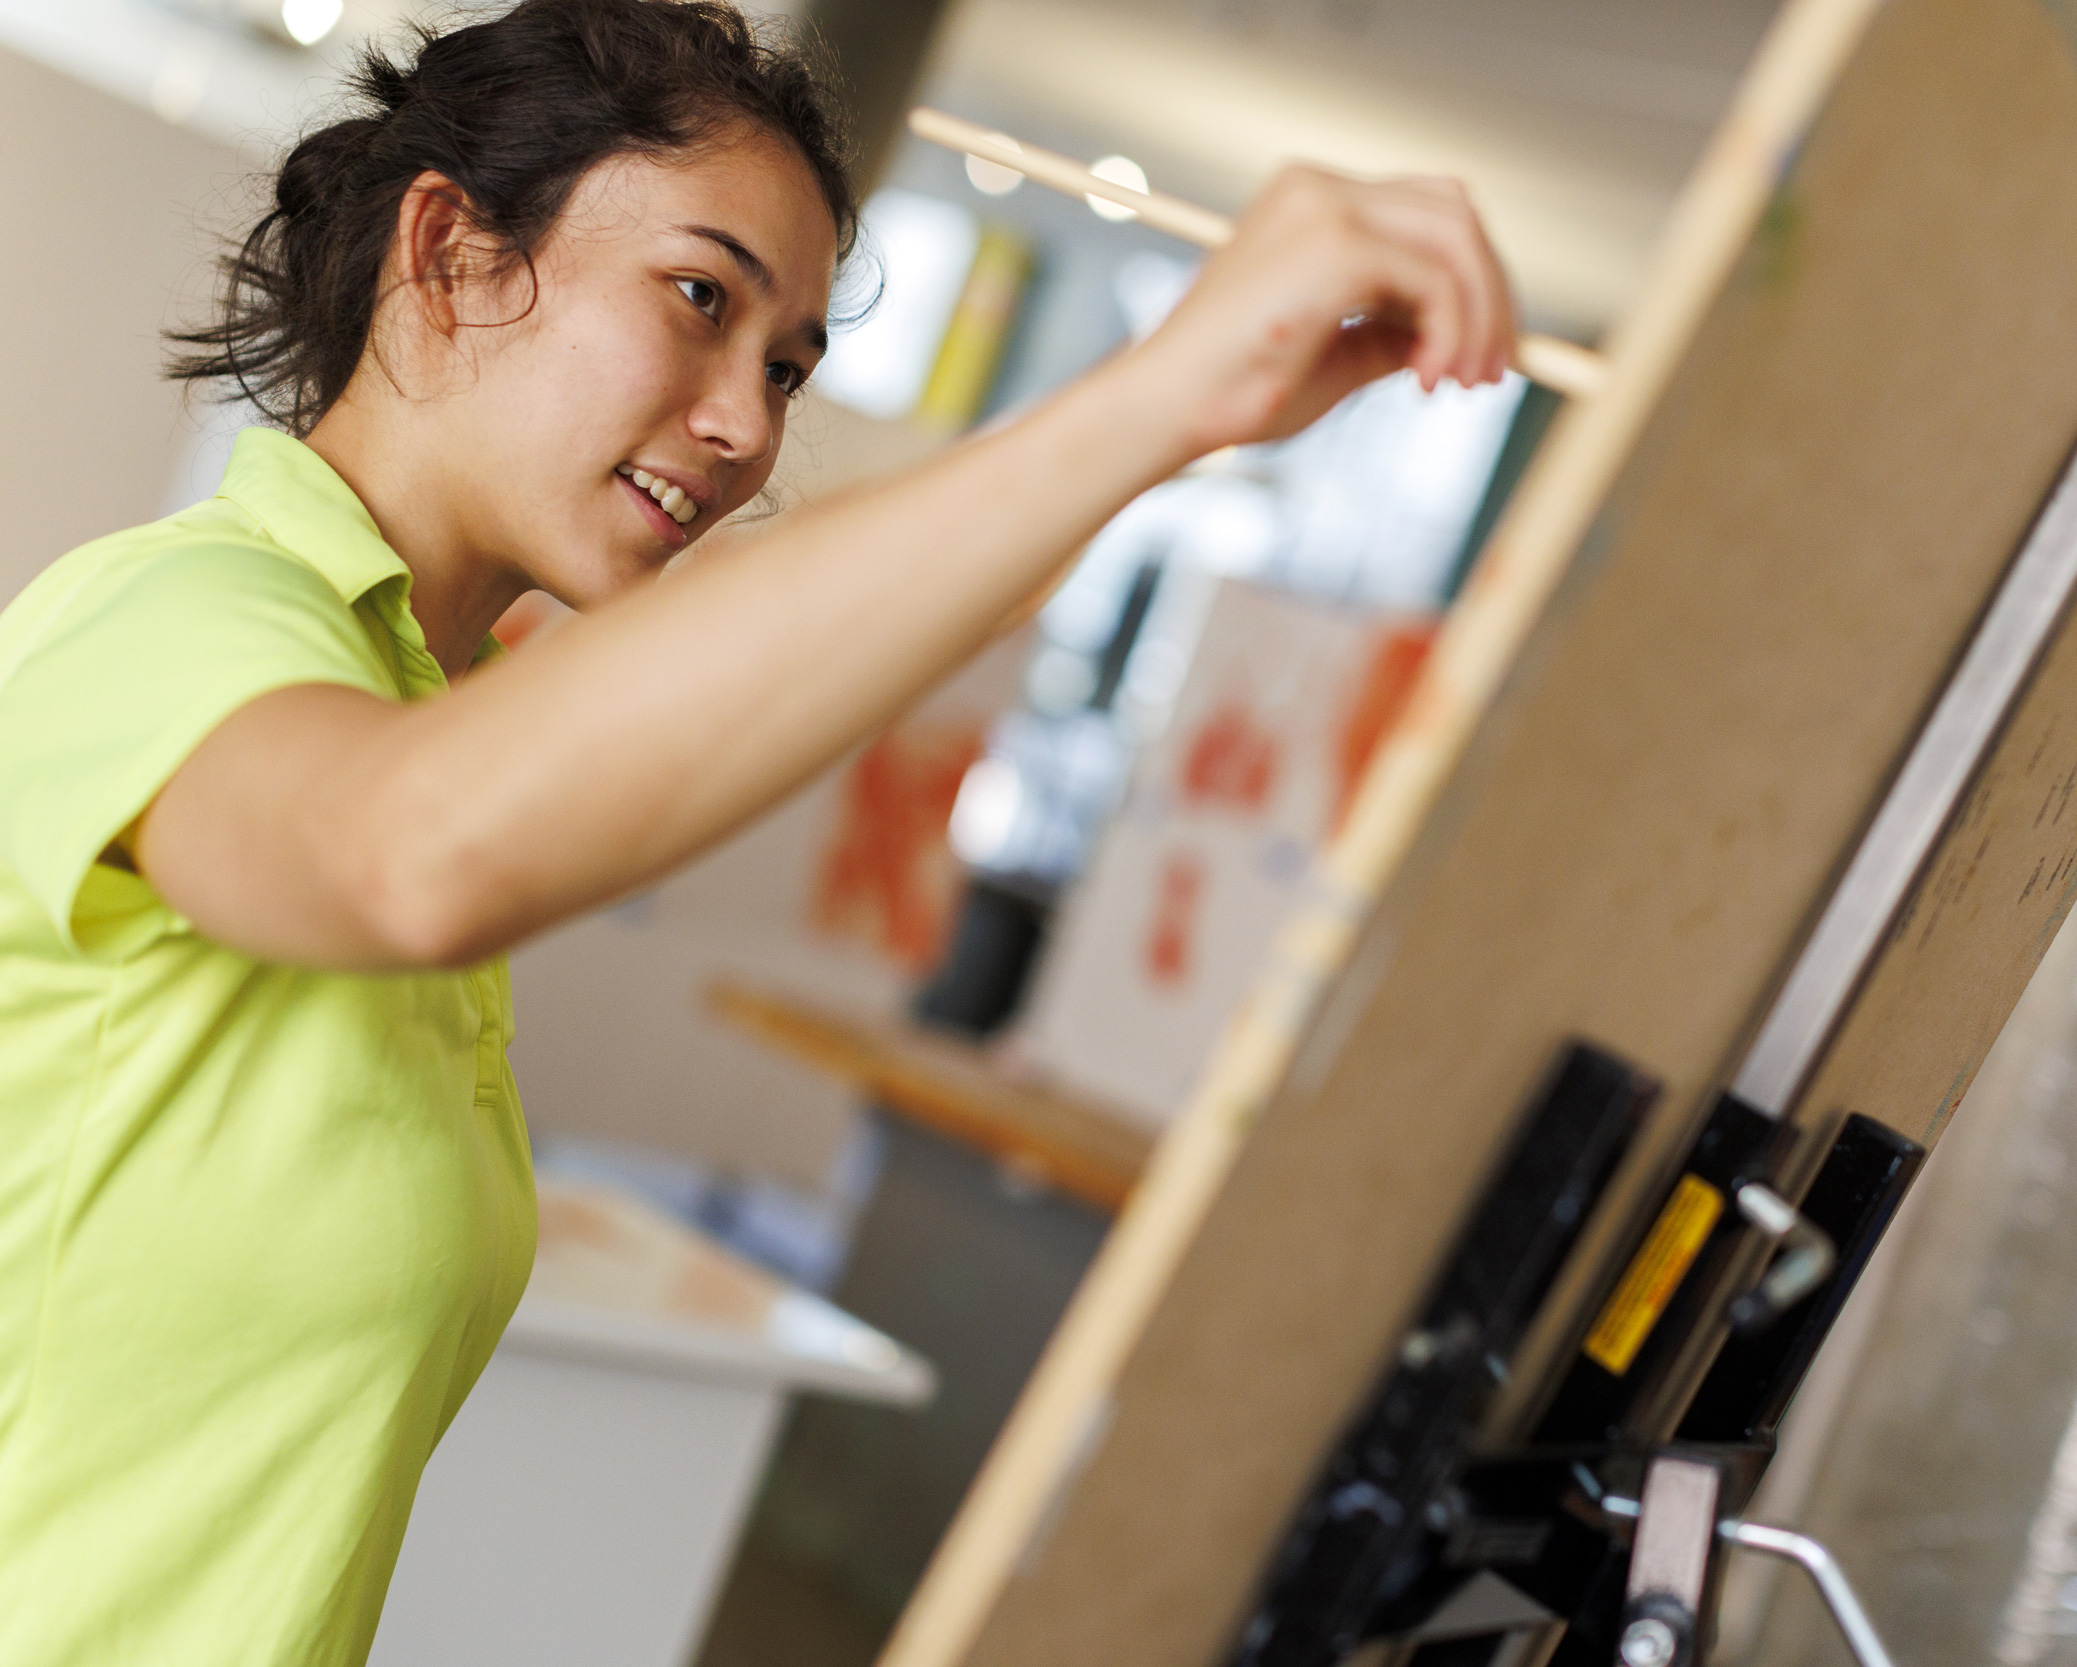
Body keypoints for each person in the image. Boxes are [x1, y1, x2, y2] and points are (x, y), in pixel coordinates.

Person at [0, 0, 1516, 1660]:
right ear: (445, 256)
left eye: (786, 368)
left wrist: (1155, 440)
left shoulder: (423, 704)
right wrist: (1152, 399)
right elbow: (406, 854)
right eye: (700, 300)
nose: (745, 426)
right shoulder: (167, 618)